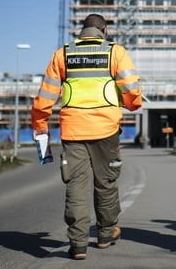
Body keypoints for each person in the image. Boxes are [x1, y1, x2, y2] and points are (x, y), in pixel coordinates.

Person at [31, 14, 142, 260]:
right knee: (106, 183)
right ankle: (105, 233)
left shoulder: (63, 54)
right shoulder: (115, 52)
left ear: (83, 30)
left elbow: (46, 94)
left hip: (73, 130)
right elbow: (132, 90)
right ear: (104, 29)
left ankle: (78, 244)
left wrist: (40, 124)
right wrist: (132, 105)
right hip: (106, 130)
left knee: (76, 187)